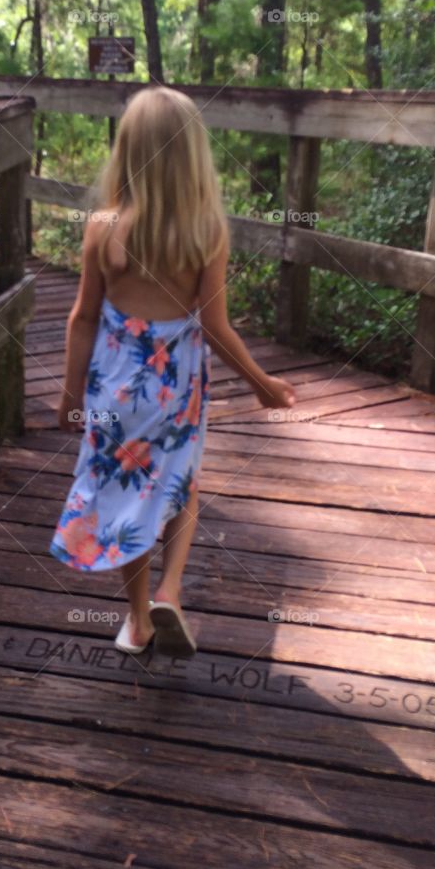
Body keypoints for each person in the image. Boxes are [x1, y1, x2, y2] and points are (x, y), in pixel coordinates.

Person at [49, 85, 296, 658]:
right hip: (175, 387)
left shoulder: (103, 225)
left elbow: (81, 317)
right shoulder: (206, 232)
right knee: (180, 480)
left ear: (128, 151)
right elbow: (215, 328)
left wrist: (68, 396)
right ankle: (171, 591)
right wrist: (262, 385)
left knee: (128, 493)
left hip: (114, 385)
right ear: (193, 157)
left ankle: (138, 620)